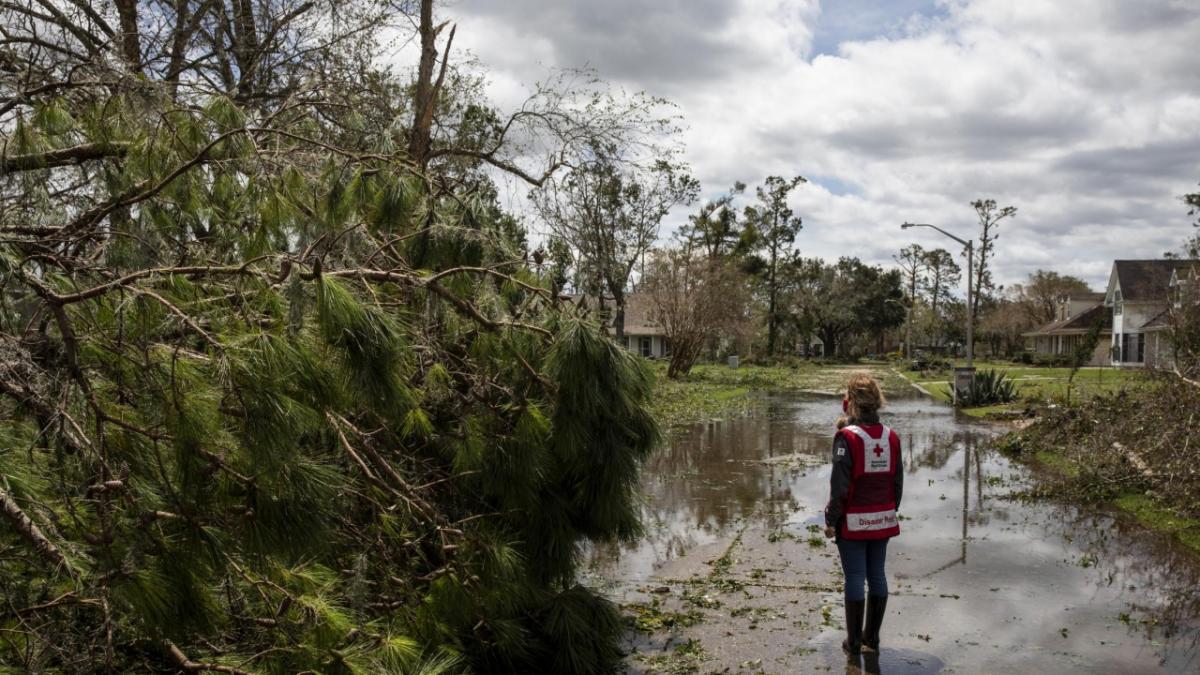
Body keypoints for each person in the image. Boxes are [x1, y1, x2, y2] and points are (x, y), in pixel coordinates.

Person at [824, 373, 903, 656]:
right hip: (883, 520)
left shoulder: (846, 438)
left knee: (855, 577)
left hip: (854, 523)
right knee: (877, 575)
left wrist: (831, 519)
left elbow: (840, 487)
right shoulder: (891, 436)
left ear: (849, 403)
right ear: (877, 402)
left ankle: (854, 642)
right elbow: (897, 483)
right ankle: (873, 639)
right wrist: (888, 511)